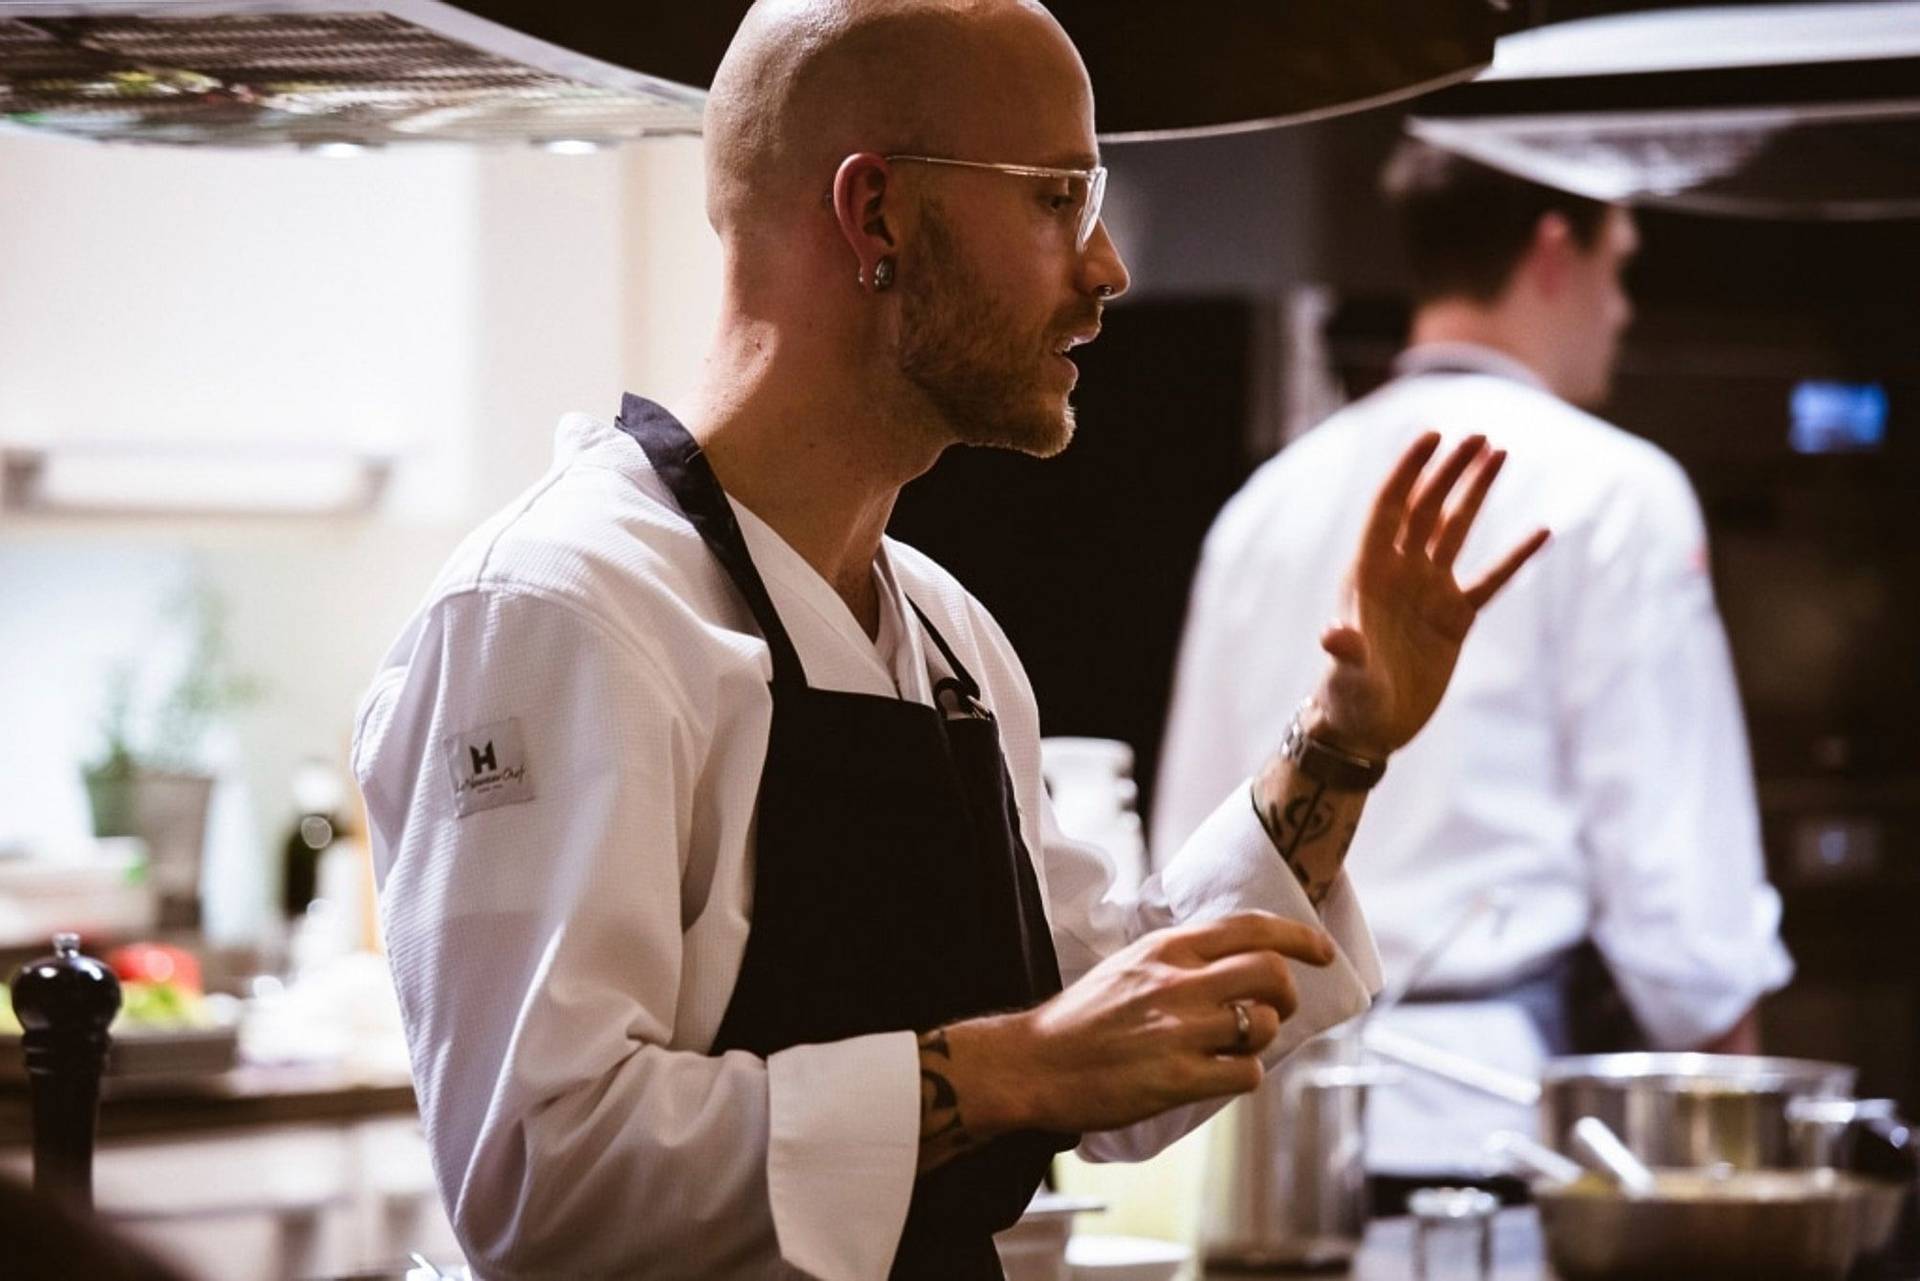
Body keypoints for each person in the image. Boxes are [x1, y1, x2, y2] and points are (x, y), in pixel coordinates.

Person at [350, 7, 1545, 1277]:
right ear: (876, 216)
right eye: (1058, 200)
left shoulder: (944, 633)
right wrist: (1021, 1069)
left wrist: (1342, 745)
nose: (1106, 270)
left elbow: (1113, 1028)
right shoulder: (559, 613)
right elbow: (548, 1177)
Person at [1153, 137, 1792, 1191]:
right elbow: (1681, 905)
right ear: (1554, 251)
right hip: (1487, 1134)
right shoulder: (1615, 490)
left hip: (1267, 1150)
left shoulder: (1263, 504)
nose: (1622, 310)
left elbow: (1190, 863)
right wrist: (1752, 1169)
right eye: (1618, 266)